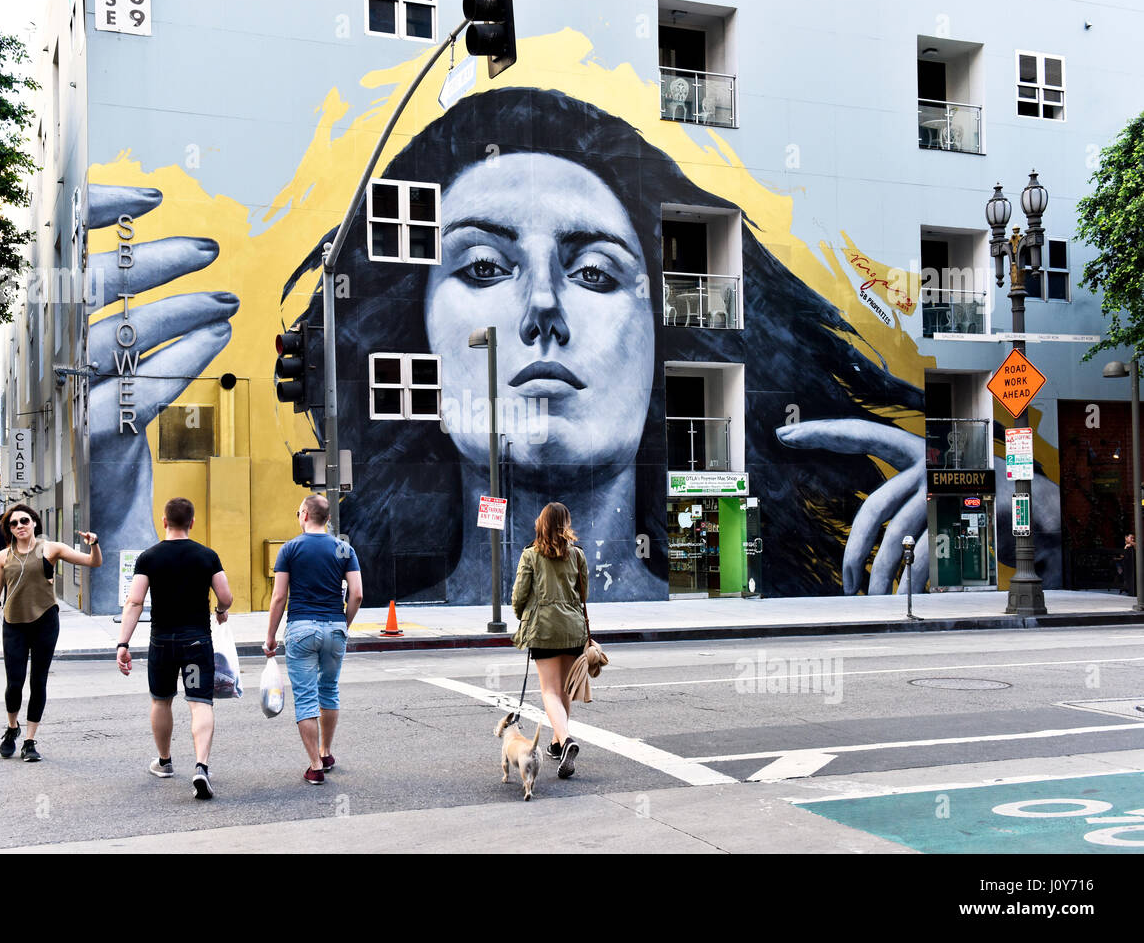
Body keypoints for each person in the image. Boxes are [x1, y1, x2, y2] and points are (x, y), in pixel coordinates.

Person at [280, 87, 927, 606]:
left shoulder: (725, 583)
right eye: (483, 267)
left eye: (594, 272)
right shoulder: (372, 598)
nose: (542, 309)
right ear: (415, 325)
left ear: (657, 334)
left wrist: (984, 509)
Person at [115, 497, 231, 800]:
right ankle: (201, 766)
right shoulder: (207, 556)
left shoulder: (148, 558)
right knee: (200, 703)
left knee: (161, 701)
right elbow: (226, 596)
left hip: (162, 643)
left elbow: (135, 602)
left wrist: (123, 643)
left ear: (164, 521)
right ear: (191, 523)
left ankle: (164, 762)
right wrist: (220, 610)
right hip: (196, 642)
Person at [0, 503, 102, 761]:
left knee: (38, 681)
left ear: (34, 522)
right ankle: (12, 728)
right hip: (13, 624)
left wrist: (94, 543)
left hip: (45, 622)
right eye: (13, 524)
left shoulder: (50, 548)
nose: (19, 526)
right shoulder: (3, 557)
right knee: (14, 683)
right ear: (8, 529)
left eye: (24, 521)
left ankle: (30, 741)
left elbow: (93, 562)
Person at [263, 494, 363, 784]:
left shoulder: (290, 549)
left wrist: (270, 636)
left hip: (301, 629)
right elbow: (356, 594)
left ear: (304, 514)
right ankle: (327, 752)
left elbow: (280, 597)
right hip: (334, 627)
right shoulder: (345, 549)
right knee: (329, 690)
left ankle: (315, 766)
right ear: (328, 519)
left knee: (306, 698)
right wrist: (344, 623)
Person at [512, 502, 590, 779]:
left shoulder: (530, 555)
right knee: (564, 691)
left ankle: (566, 739)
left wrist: (522, 614)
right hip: (572, 628)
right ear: (565, 524)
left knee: (549, 691)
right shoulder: (577, 555)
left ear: (541, 523)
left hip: (544, 628)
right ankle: (558, 744)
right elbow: (584, 594)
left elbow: (519, 594)